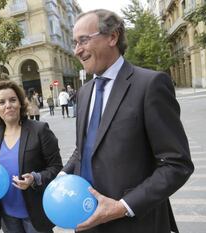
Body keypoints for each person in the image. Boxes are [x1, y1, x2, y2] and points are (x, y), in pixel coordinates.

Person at [59, 9, 194, 233]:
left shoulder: (150, 85)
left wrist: (122, 207)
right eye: (75, 43)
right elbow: (85, 149)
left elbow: (176, 164)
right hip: (87, 219)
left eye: (83, 40)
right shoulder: (83, 93)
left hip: (136, 222)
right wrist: (62, 176)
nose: (77, 50)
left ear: (112, 37)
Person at [0, 81, 62, 233]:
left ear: (20, 103)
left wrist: (35, 178)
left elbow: (57, 168)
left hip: (35, 213)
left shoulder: (39, 130)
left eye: (13, 100)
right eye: (2, 102)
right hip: (7, 213)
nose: (8, 105)